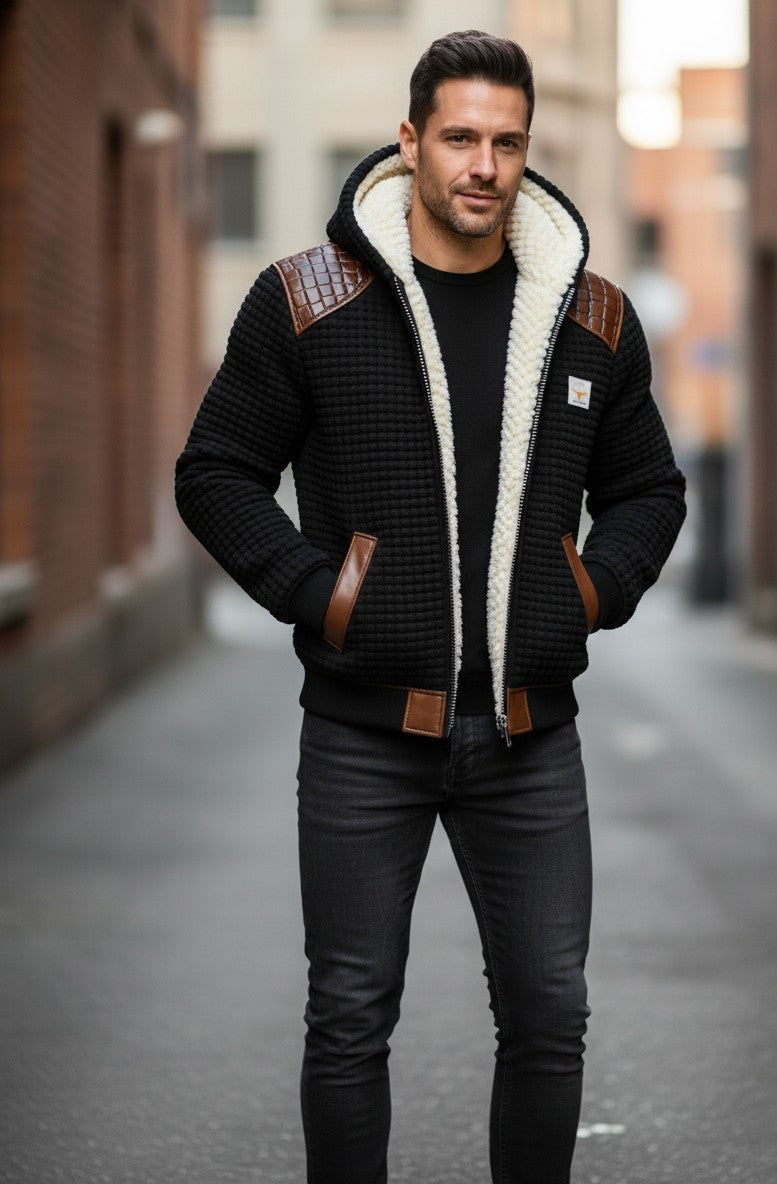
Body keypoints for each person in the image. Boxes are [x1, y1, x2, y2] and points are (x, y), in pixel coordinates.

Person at [175, 29, 686, 1184]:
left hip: (530, 734)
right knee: (350, 1017)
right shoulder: (306, 300)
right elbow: (215, 473)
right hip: (362, 733)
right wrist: (323, 596)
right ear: (409, 142)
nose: (484, 165)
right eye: (460, 137)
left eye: (507, 141)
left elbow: (650, 488)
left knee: (551, 1014)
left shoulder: (591, 316)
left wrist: (593, 588)